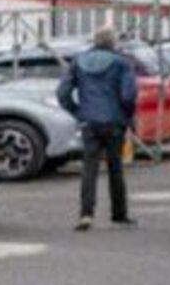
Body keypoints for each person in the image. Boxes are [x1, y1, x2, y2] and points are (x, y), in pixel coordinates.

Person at [59, 25, 140, 230]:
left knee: (89, 168)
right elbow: (128, 96)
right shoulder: (122, 63)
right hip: (115, 122)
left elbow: (63, 93)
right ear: (113, 42)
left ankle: (86, 214)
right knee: (115, 168)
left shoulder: (78, 61)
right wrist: (127, 115)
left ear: (94, 41)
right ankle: (119, 214)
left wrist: (77, 112)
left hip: (89, 122)